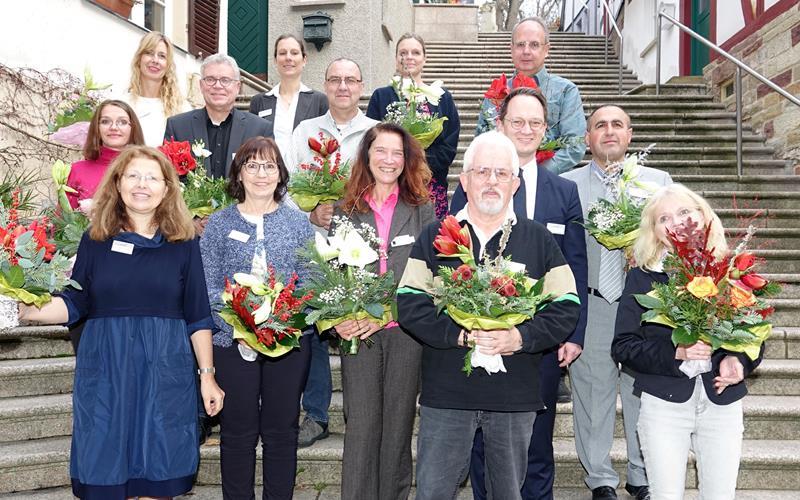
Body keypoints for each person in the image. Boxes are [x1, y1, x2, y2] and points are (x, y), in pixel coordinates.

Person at [19, 145, 224, 499]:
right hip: (107, 367)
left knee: (159, 468)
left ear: (166, 187)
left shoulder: (184, 243)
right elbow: (75, 303)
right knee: (106, 468)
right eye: (133, 176)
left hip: (164, 367)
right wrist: (24, 307)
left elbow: (197, 313)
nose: (141, 184)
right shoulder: (94, 240)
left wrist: (208, 377)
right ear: (117, 183)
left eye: (151, 177)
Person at [397, 131, 581, 500]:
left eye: (501, 173)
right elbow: (409, 302)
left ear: (515, 183)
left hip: (513, 397)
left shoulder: (538, 239)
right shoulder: (436, 236)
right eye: (482, 172)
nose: (492, 181)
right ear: (464, 181)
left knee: (507, 493)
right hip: (447, 393)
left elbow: (566, 306)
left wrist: (520, 338)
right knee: (433, 491)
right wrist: (460, 336)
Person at [452, 87, 588, 500]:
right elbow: (453, 257)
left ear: (546, 130)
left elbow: (575, 264)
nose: (526, 130)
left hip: (541, 341)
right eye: (517, 121)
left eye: (535, 123)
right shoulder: (471, 184)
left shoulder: (563, 192)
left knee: (537, 443)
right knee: (481, 442)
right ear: (500, 125)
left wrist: (574, 332)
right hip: (483, 336)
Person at [612, 184, 761, 499]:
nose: (676, 222)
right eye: (664, 218)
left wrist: (740, 360)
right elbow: (623, 346)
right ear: (654, 231)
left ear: (702, 215)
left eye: (683, 212)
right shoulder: (642, 278)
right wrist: (675, 352)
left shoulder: (730, 272)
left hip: (721, 401)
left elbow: (753, 332)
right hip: (664, 405)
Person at [562, 105, 672, 500]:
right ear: (588, 138)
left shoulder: (659, 183)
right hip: (593, 306)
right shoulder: (567, 184)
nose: (609, 132)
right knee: (592, 397)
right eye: (600, 126)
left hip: (644, 307)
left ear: (630, 135)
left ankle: (642, 474)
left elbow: (676, 239)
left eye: (618, 125)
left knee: (643, 393)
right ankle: (601, 479)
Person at [199, 136, 314, 499]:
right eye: (252, 165)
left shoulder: (299, 224)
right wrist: (240, 323)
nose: (261, 173)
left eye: (269, 166)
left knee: (282, 431)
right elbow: (207, 283)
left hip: (287, 341)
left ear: (280, 173)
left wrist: (281, 321)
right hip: (231, 342)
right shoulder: (218, 224)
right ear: (239, 172)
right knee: (236, 432)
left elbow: (310, 279)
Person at [333, 122, 435, 500]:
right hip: (357, 330)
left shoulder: (422, 209)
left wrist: (387, 311)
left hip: (404, 331)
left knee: (397, 425)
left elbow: (430, 275)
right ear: (367, 155)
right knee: (360, 426)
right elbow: (333, 271)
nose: (389, 160)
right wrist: (338, 317)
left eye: (397, 153)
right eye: (381, 151)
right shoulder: (346, 208)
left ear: (406, 160)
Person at [289, 58, 378, 448]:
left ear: (362, 86)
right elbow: (284, 184)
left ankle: (361, 413)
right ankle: (317, 413)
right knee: (314, 330)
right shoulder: (305, 131)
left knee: (361, 324)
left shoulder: (376, 133)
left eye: (351, 80)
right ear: (325, 85)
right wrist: (310, 211)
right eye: (335, 79)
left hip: (364, 248)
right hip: (314, 245)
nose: (343, 86)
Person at [366, 33, 461, 219]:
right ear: (395, 60)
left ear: (424, 59)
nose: (409, 57)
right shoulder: (381, 96)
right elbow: (371, 142)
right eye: (403, 53)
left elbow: (449, 146)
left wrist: (417, 163)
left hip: (430, 186)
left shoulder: (442, 97)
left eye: (415, 52)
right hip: (389, 183)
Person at [475, 17, 586, 175]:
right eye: (520, 44)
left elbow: (574, 146)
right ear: (511, 49)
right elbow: (481, 141)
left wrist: (534, 174)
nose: (526, 51)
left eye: (534, 45)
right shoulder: (496, 92)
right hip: (502, 182)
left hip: (548, 184)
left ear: (546, 49)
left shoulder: (565, 91)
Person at [164, 53, 270, 179]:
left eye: (225, 80)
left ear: (237, 87)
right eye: (210, 79)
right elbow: (167, 177)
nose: (218, 86)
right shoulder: (178, 127)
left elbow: (268, 177)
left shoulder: (260, 130)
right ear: (201, 86)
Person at [249, 34, 328, 167]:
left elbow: (325, 145)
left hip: (307, 182)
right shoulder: (259, 102)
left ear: (304, 60)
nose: (288, 58)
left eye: (294, 53)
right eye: (282, 53)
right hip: (268, 178)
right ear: (275, 60)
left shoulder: (319, 101)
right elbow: (251, 145)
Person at [66, 99, 145, 209]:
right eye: (105, 121)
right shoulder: (77, 170)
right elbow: (62, 221)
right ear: (96, 128)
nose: (113, 127)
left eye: (122, 122)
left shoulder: (147, 169)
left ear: (133, 128)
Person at [121, 31, 192, 147]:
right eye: (149, 53)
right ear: (139, 59)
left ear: (168, 64)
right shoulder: (123, 103)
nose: (155, 60)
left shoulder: (182, 108)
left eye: (162, 56)